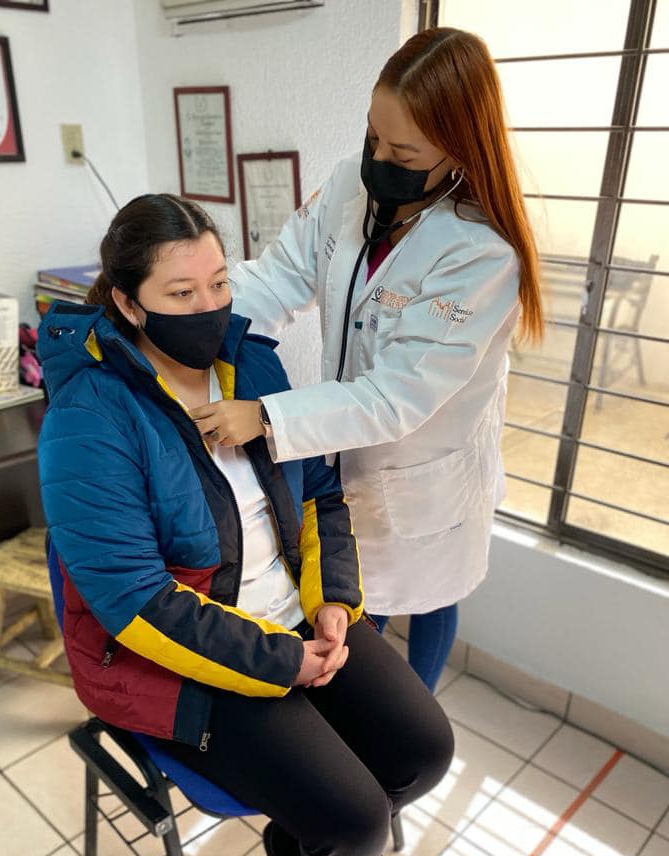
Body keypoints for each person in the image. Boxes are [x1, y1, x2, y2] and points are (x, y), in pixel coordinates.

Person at [37, 193, 454, 856]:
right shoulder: (90, 418)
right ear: (127, 304)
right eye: (181, 293)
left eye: (220, 283)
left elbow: (320, 494)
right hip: (172, 654)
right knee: (356, 819)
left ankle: (297, 853)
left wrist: (333, 603)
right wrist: (283, 660)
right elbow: (136, 603)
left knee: (423, 752)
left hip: (291, 615)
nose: (209, 307)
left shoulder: (251, 363)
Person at [189, 27, 543, 693]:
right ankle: (373, 717)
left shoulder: (480, 254)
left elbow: (396, 397)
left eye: (402, 151)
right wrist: (200, 314)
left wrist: (264, 415)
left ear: (460, 147)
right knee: (350, 598)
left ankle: (417, 708)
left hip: (425, 469)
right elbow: (279, 278)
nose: (377, 159)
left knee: (430, 592)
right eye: (373, 136)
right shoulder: (348, 185)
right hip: (344, 450)